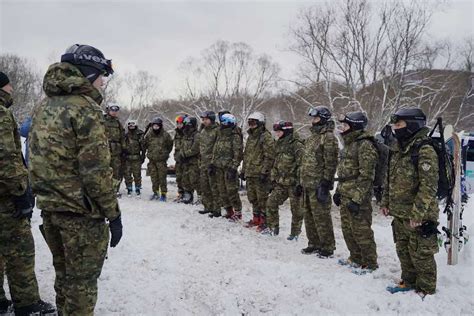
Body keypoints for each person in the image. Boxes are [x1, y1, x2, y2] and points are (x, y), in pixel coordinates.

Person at [29, 44, 122, 315]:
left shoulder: (44, 108)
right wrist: (113, 214)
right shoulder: (85, 109)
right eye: (102, 74)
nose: (104, 81)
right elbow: (95, 172)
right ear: (89, 73)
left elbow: (34, 158)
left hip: (51, 210)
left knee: (65, 277)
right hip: (81, 215)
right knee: (81, 284)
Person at [0, 71, 56, 315]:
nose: (12, 89)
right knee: (20, 250)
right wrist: (21, 191)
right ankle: (27, 304)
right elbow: (5, 157)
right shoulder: (1, 114)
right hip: (5, 197)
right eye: (10, 85)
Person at [382, 107, 439, 297]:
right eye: (395, 125)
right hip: (399, 212)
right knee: (403, 250)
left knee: (421, 253)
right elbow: (388, 178)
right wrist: (385, 201)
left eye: (399, 124)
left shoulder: (424, 150)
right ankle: (408, 281)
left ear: (413, 125)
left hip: (419, 215)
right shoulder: (397, 149)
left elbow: (428, 186)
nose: (395, 128)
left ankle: (426, 289)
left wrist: (418, 213)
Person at [333, 111, 378, 269]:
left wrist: (357, 199)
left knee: (361, 231)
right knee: (347, 230)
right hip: (346, 194)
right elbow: (344, 172)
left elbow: (367, 176)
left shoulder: (365, 145)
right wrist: (338, 191)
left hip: (358, 198)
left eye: (345, 125)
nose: (342, 128)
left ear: (355, 127)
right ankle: (355, 258)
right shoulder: (348, 144)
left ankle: (370, 263)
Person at [300, 106, 338, 256]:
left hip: (318, 184)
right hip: (307, 183)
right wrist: (300, 181)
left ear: (323, 119)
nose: (313, 121)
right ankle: (313, 243)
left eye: (315, 118)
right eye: (312, 119)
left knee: (321, 216)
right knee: (308, 216)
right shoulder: (311, 138)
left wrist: (326, 182)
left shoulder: (328, 137)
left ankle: (327, 247)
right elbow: (305, 161)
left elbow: (331, 162)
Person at [261, 121, 304, 237]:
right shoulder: (278, 143)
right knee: (271, 203)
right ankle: (273, 227)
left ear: (286, 132)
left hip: (294, 183)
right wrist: (272, 180)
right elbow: (276, 162)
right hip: (280, 183)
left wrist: (300, 184)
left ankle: (295, 234)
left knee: (296, 211)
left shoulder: (297, 145)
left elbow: (302, 165)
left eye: (279, 132)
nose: (277, 134)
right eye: (276, 132)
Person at [240, 111, 274, 228]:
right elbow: (247, 155)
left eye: (254, 122)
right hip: (250, 173)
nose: (251, 125)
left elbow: (269, 156)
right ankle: (256, 218)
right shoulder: (250, 137)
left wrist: (265, 172)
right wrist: (243, 171)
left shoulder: (265, 137)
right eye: (249, 122)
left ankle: (265, 221)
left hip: (260, 174)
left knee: (262, 199)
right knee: (253, 198)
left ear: (260, 123)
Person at [210, 113, 243, 220]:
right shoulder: (220, 134)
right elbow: (216, 150)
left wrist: (233, 167)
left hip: (229, 168)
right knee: (222, 190)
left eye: (224, 122)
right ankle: (229, 211)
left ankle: (238, 212)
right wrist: (212, 163)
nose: (222, 124)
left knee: (231, 190)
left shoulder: (235, 136)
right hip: (219, 167)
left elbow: (238, 153)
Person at [143, 117, 173, 201]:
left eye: (157, 126)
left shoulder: (165, 135)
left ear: (160, 126)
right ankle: (155, 192)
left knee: (162, 178)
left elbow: (170, 145)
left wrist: (164, 154)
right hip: (152, 160)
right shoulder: (149, 135)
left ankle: (163, 194)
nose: (156, 128)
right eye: (154, 126)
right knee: (154, 178)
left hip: (161, 161)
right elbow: (144, 144)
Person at [197, 111, 220, 217]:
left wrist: (213, 162)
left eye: (206, 119)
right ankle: (208, 206)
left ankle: (217, 209)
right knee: (204, 186)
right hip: (203, 163)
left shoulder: (217, 130)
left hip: (212, 163)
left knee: (214, 187)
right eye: (203, 119)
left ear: (211, 119)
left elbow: (218, 148)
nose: (204, 121)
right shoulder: (203, 131)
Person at [104, 104, 126, 197]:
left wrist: (124, 148)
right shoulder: (102, 120)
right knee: (105, 170)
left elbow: (122, 136)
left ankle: (115, 189)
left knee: (116, 170)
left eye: (116, 111)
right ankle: (105, 190)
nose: (114, 112)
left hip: (116, 150)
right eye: (112, 110)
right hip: (105, 149)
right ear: (108, 110)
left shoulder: (118, 122)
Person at [179, 116, 200, 204]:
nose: (187, 127)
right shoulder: (185, 135)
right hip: (185, 161)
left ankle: (200, 196)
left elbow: (195, 148)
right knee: (185, 179)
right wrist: (181, 154)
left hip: (194, 161)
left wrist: (185, 154)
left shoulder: (197, 135)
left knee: (194, 179)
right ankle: (188, 195)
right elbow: (182, 146)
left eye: (189, 125)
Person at [124, 119, 145, 197]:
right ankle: (129, 188)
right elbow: (123, 145)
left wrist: (143, 155)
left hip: (137, 157)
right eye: (130, 125)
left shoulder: (140, 134)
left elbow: (143, 146)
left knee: (137, 174)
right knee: (127, 174)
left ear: (135, 125)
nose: (131, 126)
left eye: (133, 125)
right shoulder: (126, 135)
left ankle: (137, 188)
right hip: (127, 158)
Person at [173, 115, 187, 202]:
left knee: (186, 178)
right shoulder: (177, 133)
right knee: (179, 177)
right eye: (178, 123)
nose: (179, 125)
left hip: (186, 159)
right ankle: (180, 193)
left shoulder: (187, 133)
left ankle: (187, 194)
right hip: (178, 159)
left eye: (181, 124)